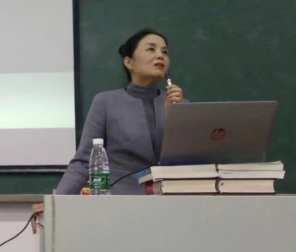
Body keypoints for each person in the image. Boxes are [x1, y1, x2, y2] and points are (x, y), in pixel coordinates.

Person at [31, 29, 185, 231]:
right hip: (117, 208)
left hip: (172, 208)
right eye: (151, 49)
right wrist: (56, 203)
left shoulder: (179, 106)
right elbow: (84, 160)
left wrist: (177, 117)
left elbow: (192, 163)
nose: (160, 56)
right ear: (128, 62)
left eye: (165, 52)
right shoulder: (106, 102)